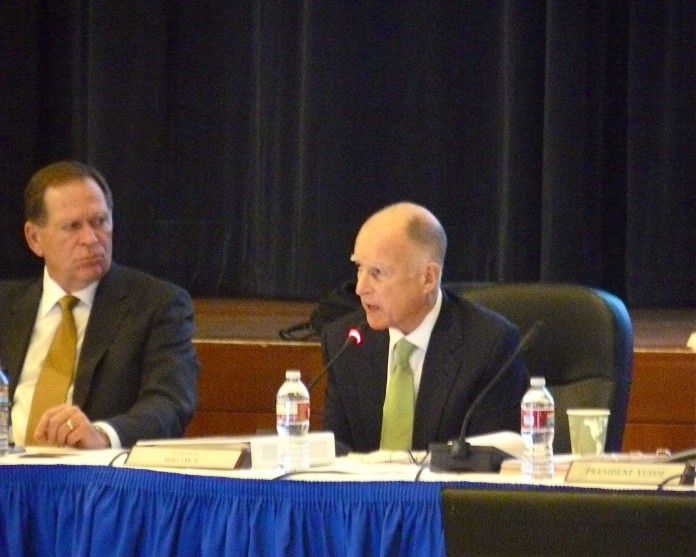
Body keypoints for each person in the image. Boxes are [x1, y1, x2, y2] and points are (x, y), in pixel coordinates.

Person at [0, 161, 199, 449]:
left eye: (100, 221)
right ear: (34, 239)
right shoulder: (6, 306)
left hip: (94, 472)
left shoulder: (157, 305)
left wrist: (102, 435)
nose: (91, 239)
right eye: (72, 227)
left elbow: (170, 404)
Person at [321, 202, 527, 453]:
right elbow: (335, 453)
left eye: (377, 272)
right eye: (359, 268)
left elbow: (492, 460)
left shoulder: (489, 345)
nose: (360, 288)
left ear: (428, 278)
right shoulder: (344, 343)